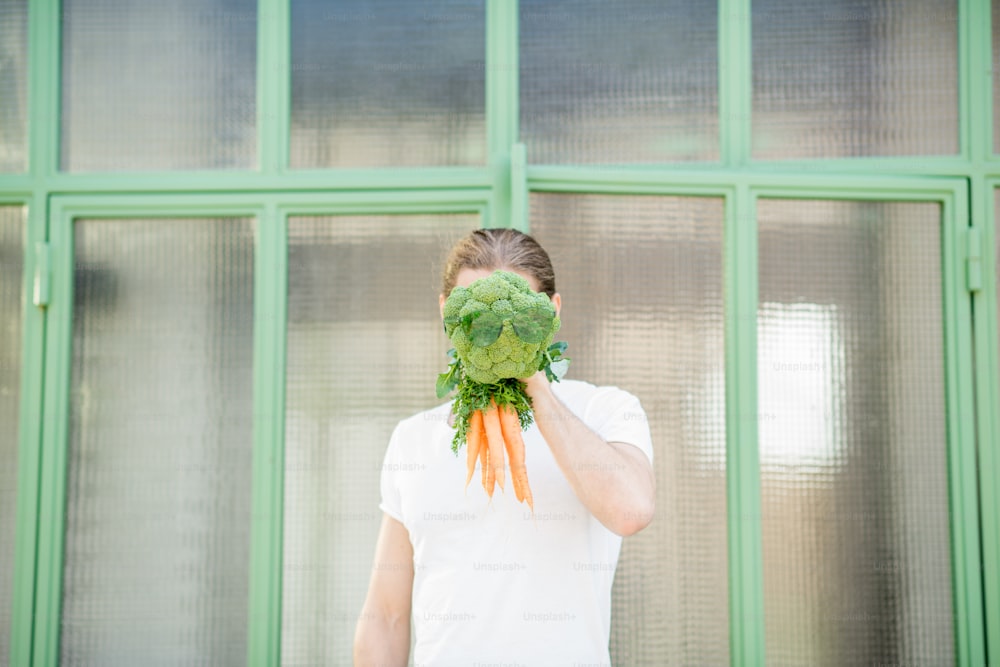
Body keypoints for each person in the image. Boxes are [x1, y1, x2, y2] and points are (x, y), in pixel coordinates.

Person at [354, 228, 655, 666]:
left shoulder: (605, 410)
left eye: (515, 313)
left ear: (551, 312)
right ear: (446, 312)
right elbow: (385, 616)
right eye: (473, 314)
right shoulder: (412, 439)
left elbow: (631, 511)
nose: (493, 331)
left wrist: (532, 379)